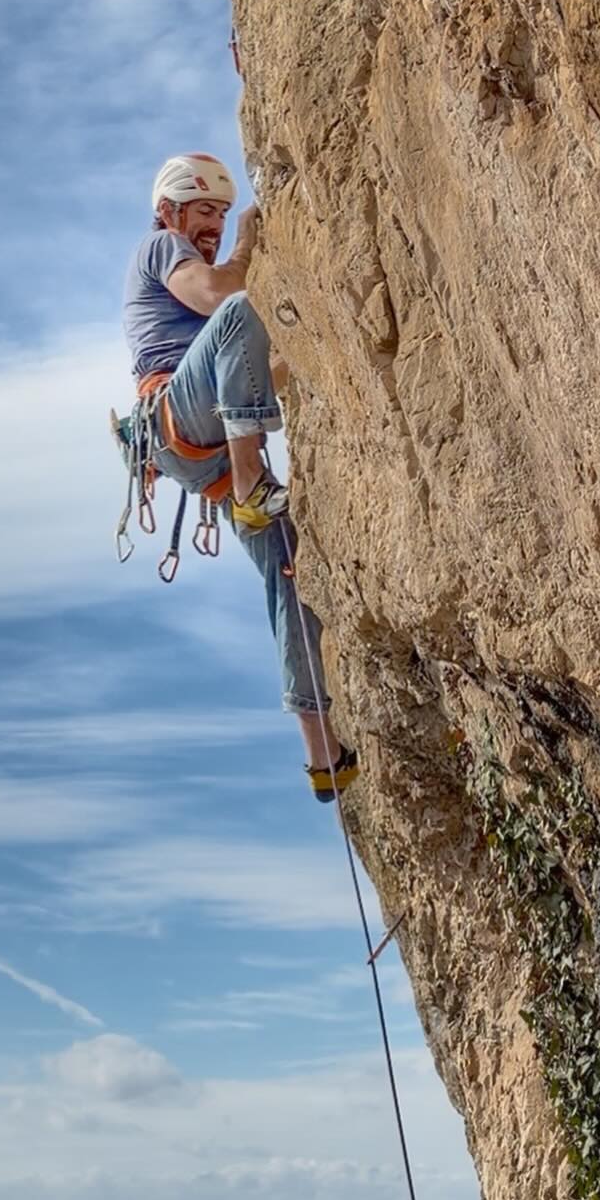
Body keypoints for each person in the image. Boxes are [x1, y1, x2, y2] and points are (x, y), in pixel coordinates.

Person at [120, 152, 359, 803]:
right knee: (242, 310)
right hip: (177, 417)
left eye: (223, 218)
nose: (214, 228)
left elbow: (250, 371)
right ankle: (255, 484)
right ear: (169, 211)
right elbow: (224, 300)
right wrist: (251, 245)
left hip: (206, 446)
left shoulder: (191, 262)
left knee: (292, 571)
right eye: (204, 212)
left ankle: (322, 751)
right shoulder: (159, 247)